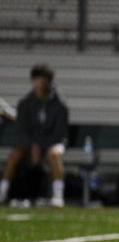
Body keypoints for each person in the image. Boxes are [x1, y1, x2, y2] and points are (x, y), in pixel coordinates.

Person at [0, 64, 69, 207]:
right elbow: (23, 129)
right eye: (37, 81)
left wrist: (42, 145)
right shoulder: (26, 103)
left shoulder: (60, 105)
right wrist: (32, 145)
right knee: (14, 155)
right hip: (31, 143)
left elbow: (59, 133)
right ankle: (3, 191)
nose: (40, 85)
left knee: (53, 155)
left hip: (53, 143)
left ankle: (58, 195)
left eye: (43, 82)